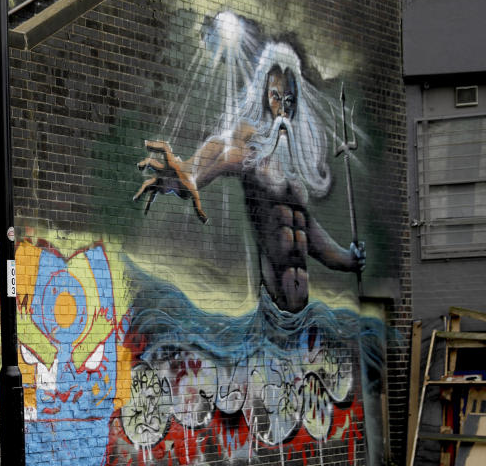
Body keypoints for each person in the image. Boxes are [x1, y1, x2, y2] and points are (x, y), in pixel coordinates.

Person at [134, 41, 363, 313]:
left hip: (304, 321)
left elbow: (310, 234)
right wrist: (184, 175)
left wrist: (348, 259)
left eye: (289, 100)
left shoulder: (294, 178)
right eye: (275, 97)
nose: (283, 108)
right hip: (273, 317)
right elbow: (217, 152)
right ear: (264, 97)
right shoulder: (250, 151)